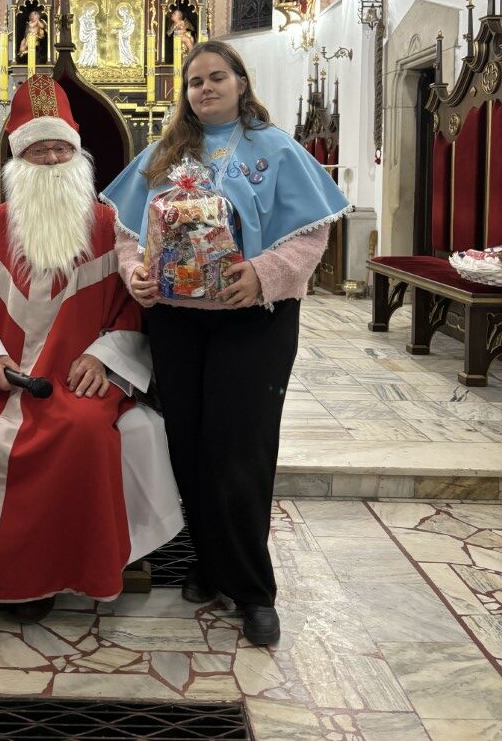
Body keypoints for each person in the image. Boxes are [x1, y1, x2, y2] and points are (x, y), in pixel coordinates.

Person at [0, 74, 182, 648]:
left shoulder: (109, 227)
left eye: (59, 149)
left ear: (79, 155)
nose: (49, 159)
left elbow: (135, 311)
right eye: (36, 149)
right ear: (17, 160)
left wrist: (104, 357)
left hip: (73, 375)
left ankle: (41, 576)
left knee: (81, 432)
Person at [101, 40, 350, 647]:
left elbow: (310, 235)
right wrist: (135, 272)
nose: (205, 88)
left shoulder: (275, 148)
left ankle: (253, 589)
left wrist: (264, 274)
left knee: (241, 449)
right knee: (187, 445)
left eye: (217, 77)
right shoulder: (165, 154)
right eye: (195, 82)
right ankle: (208, 564)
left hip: (253, 320)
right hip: (178, 321)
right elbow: (127, 231)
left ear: (241, 82)